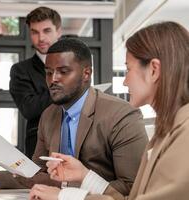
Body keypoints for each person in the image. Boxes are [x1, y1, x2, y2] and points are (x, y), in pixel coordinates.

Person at [30, 21, 189, 200]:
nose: (124, 81)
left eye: (129, 69)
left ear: (154, 70)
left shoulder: (184, 132)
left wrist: (64, 196)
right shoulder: (167, 131)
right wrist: (84, 175)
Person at [0, 38, 148, 198]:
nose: (53, 79)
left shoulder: (122, 115)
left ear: (86, 74)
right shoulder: (48, 115)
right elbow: (36, 173)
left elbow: (131, 188)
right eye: (48, 72)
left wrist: (65, 194)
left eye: (63, 71)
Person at [9, 6, 62, 158]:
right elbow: (29, 108)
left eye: (47, 31)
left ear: (58, 32)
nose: (41, 38)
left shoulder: (74, 64)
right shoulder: (20, 70)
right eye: (35, 32)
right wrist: (65, 89)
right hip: (39, 147)